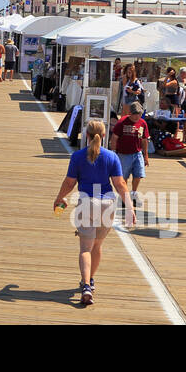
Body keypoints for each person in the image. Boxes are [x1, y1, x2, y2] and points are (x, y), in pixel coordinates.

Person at [53, 119, 136, 307]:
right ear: (104, 136)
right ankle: (90, 280)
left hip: (86, 204)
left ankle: (86, 286)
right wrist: (130, 208)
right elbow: (120, 184)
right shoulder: (111, 157)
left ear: (87, 135)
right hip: (107, 204)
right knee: (97, 247)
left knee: (85, 249)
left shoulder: (78, 156)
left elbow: (69, 182)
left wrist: (59, 198)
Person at [109, 102, 150, 202]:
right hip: (123, 153)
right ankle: (124, 194)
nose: (137, 116)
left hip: (137, 153)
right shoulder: (122, 122)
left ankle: (134, 192)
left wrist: (146, 156)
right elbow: (114, 137)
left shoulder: (143, 123)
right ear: (130, 113)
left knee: (139, 174)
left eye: (139, 114)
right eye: (134, 114)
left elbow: (144, 140)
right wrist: (114, 152)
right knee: (124, 176)